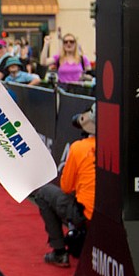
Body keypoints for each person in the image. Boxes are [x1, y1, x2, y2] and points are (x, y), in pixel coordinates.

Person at [31, 107, 96, 267]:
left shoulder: (79, 148)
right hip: (114, 214)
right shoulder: (119, 147)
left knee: (44, 193)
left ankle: (59, 252)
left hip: (87, 214)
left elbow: (66, 187)